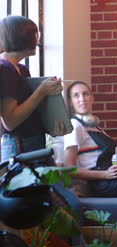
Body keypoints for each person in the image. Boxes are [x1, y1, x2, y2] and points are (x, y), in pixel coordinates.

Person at [0, 16, 66, 162]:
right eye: (33, 34)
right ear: (19, 37)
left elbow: (28, 112)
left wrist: (51, 128)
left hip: (33, 143)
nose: (37, 40)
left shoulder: (22, 69)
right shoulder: (5, 69)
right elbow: (10, 122)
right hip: (19, 146)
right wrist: (41, 91)